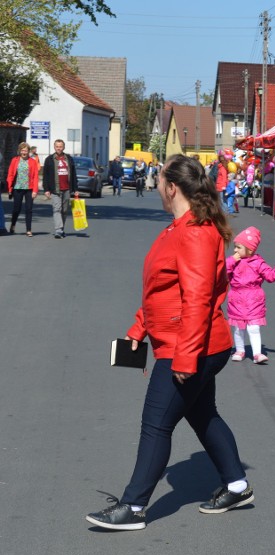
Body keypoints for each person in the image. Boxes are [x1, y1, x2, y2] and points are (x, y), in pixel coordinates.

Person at [85, 154, 253, 531]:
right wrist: (138, 328)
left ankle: (132, 507)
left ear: (172, 187)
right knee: (202, 413)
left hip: (190, 345)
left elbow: (197, 299)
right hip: (193, 340)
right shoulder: (180, 228)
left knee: (156, 424)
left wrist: (184, 359)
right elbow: (164, 291)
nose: (157, 186)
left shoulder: (193, 231)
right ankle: (237, 484)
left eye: (159, 181)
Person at [226, 226, 275, 364]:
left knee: (253, 328)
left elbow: (270, 276)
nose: (235, 250)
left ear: (250, 249)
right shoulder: (233, 262)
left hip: (254, 300)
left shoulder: (258, 263)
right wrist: (231, 261)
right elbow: (222, 272)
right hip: (236, 299)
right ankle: (239, 350)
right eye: (235, 247)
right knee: (238, 328)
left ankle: (257, 354)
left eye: (239, 247)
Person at [42, 139, 79, 238]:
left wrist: (75, 189)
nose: (59, 148)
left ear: (64, 147)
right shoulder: (49, 159)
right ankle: (58, 230)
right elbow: (45, 175)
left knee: (64, 210)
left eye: (60, 146)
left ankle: (61, 229)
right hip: (55, 189)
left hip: (67, 188)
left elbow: (74, 175)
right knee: (57, 209)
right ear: (54, 147)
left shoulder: (69, 159)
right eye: (57, 146)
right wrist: (46, 189)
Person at [5, 142, 40, 237]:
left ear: (29, 151)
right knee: (17, 209)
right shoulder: (15, 160)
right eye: (22, 150)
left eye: (26, 150)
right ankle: (13, 224)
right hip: (17, 188)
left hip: (29, 188)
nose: (24, 152)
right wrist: (9, 187)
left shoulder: (32, 161)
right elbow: (10, 174)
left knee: (29, 209)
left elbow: (36, 176)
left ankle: (29, 230)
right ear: (20, 151)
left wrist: (35, 190)